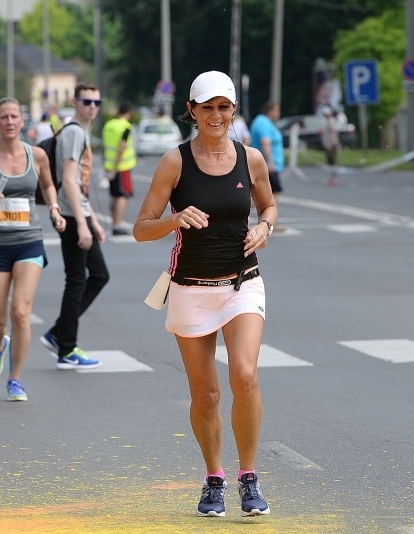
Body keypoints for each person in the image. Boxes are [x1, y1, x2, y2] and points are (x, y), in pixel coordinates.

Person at [133, 71, 278, 518]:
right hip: (191, 287)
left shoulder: (250, 159)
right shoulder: (175, 162)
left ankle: (248, 476)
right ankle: (214, 476)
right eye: (207, 107)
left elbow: (269, 204)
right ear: (192, 111)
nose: (216, 115)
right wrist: (175, 220)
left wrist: (264, 226)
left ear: (233, 110)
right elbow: (141, 228)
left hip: (241, 283)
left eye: (224, 107)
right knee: (207, 395)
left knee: (245, 374)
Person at [0, 97, 67, 401]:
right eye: (3, 117)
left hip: (28, 241)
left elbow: (47, 185)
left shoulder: (38, 156)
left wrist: (55, 209)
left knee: (20, 312)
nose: (8, 122)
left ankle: (15, 379)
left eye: (13, 116)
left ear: (22, 122)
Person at [39, 82, 109, 370]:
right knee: (78, 279)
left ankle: (59, 334)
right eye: (87, 101)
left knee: (98, 275)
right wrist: (82, 225)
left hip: (77, 214)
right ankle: (66, 347)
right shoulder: (74, 133)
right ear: (75, 102)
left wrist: (93, 221)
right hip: (70, 217)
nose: (92, 107)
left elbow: (79, 186)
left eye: (97, 102)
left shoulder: (80, 132)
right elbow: (68, 180)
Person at [102, 101, 137, 236]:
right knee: (123, 195)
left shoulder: (109, 125)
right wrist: (116, 167)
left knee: (114, 195)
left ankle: (114, 222)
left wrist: (107, 165)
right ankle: (117, 225)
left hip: (109, 165)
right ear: (129, 112)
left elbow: (105, 145)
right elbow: (122, 147)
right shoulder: (126, 127)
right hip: (122, 166)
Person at [250, 101, 284, 231]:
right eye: (276, 110)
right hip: (266, 164)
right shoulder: (263, 123)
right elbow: (265, 143)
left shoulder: (264, 122)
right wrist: (270, 161)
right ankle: (271, 221)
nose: (278, 113)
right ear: (270, 110)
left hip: (268, 163)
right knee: (271, 193)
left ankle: (271, 221)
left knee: (269, 193)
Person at [320, 105, 340, 186]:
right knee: (330, 162)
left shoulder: (331, 121)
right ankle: (332, 177)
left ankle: (334, 178)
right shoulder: (327, 122)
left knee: (333, 161)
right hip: (328, 144)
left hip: (331, 144)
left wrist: (330, 144)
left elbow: (333, 133)